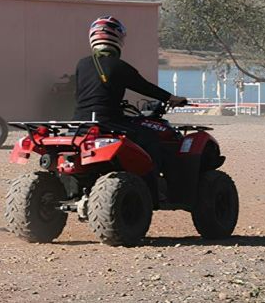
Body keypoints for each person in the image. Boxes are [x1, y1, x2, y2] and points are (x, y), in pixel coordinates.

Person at [73, 16, 187, 193]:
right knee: (150, 138)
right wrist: (171, 98)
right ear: (117, 39)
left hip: (79, 124)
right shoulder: (120, 67)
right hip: (108, 122)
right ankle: (151, 188)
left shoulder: (82, 64)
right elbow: (145, 87)